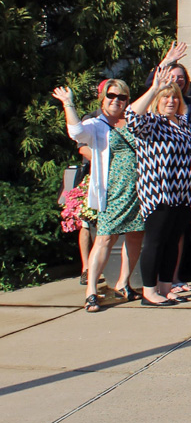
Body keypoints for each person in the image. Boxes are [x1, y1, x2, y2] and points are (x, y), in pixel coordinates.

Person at [54, 81, 144, 312]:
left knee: (135, 236)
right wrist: (68, 104)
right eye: (111, 96)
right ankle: (91, 291)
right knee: (105, 238)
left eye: (122, 97)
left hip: (138, 190)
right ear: (103, 98)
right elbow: (76, 133)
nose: (116, 100)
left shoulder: (134, 120)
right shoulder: (96, 124)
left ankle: (123, 284)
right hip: (112, 192)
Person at [126, 67, 191, 306]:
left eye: (175, 97)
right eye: (166, 97)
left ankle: (166, 287)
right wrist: (154, 89)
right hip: (158, 192)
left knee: (172, 243)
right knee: (156, 242)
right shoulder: (151, 123)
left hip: (182, 194)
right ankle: (149, 292)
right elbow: (131, 115)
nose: (171, 101)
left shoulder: (182, 123)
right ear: (158, 101)